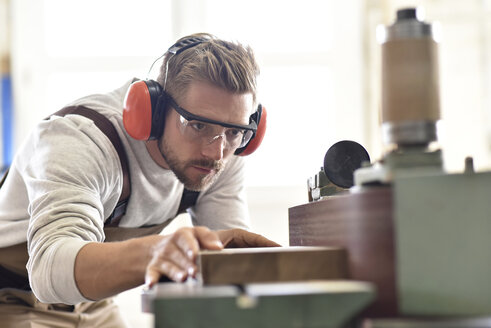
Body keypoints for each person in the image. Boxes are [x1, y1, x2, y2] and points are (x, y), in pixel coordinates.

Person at [0, 33, 279, 327]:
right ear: (154, 112)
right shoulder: (80, 141)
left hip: (94, 302)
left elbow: (227, 267)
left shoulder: (221, 156)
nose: (216, 150)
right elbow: (49, 271)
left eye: (234, 132)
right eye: (197, 125)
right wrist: (156, 250)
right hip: (12, 296)